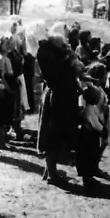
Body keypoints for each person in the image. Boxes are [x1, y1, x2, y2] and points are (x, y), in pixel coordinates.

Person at [34, 22, 85, 185]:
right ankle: (52, 174)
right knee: (53, 134)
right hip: (57, 96)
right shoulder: (46, 52)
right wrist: (68, 59)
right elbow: (54, 74)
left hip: (64, 94)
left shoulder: (56, 51)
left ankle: (50, 171)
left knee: (58, 134)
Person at [76, 85, 108, 188]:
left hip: (90, 136)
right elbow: (95, 124)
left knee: (90, 156)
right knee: (88, 157)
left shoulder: (91, 108)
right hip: (88, 136)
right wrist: (103, 129)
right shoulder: (89, 110)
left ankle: (89, 177)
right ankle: (87, 179)